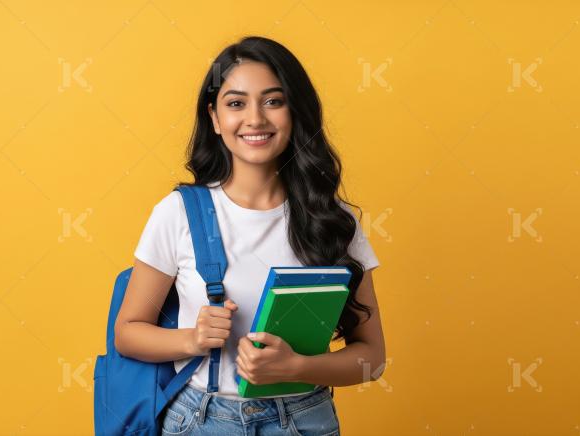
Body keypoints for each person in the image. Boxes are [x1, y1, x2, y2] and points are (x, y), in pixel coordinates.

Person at [114, 35, 386, 435]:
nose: (255, 119)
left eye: (273, 101)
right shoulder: (178, 214)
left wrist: (299, 367)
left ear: (295, 112)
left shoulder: (333, 220)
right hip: (202, 421)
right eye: (236, 103)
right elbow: (128, 333)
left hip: (306, 420)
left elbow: (373, 358)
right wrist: (191, 339)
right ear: (215, 118)